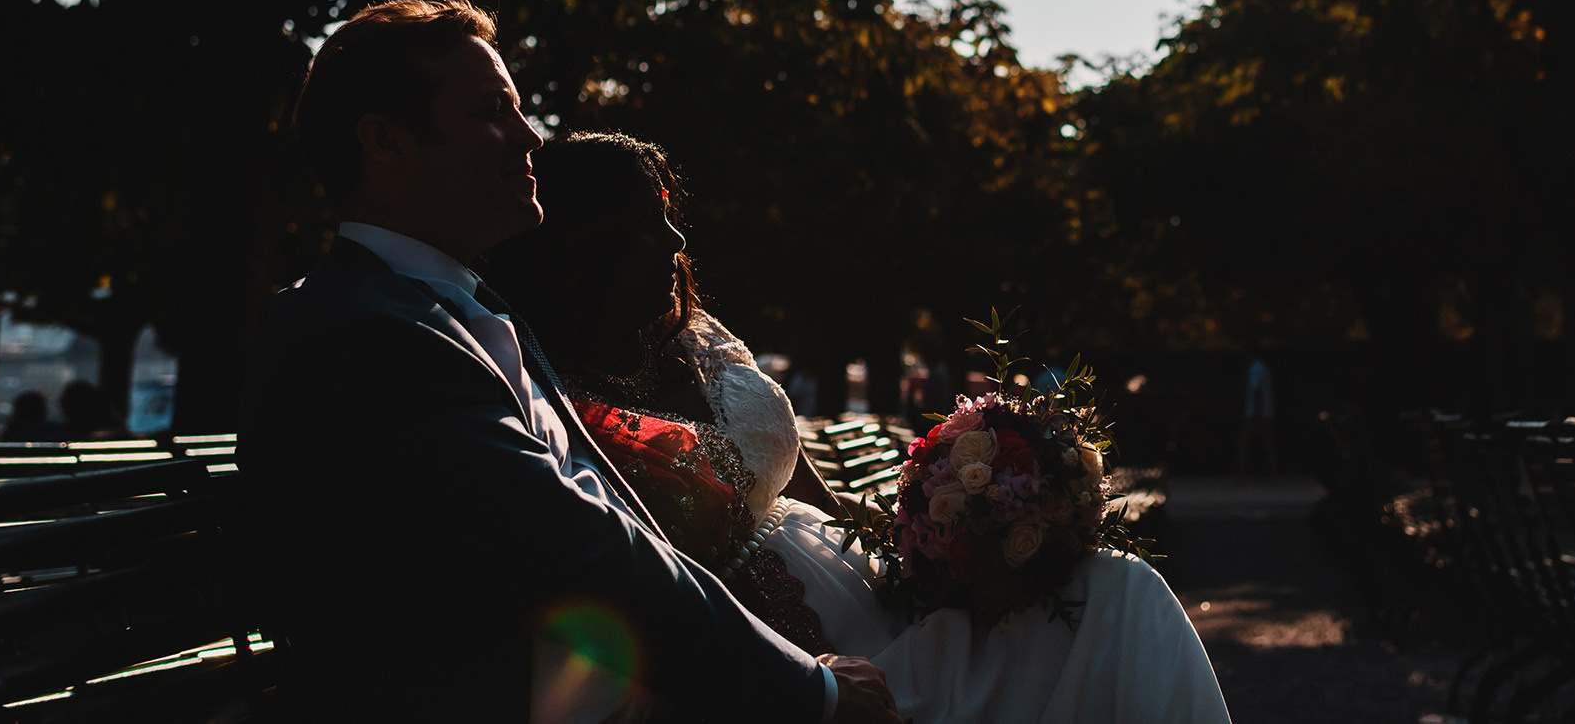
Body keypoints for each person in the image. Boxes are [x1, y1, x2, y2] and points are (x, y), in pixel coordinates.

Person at [241, 0, 901, 724]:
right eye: (493, 110)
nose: (528, 135)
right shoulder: (363, 332)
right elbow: (580, 551)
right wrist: (816, 693)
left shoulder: (450, 307)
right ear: (385, 141)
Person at [487, 131, 1232, 724]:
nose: (678, 239)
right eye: (650, 225)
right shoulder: (553, 396)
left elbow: (806, 479)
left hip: (862, 577)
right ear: (589, 248)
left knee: (1118, 590)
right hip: (781, 642)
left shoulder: (693, 338)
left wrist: (942, 535)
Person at [1237, 352, 1277, 475]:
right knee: (1266, 441)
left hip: (1257, 412)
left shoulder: (1257, 368)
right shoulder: (1262, 367)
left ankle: (1242, 471)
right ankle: (1272, 469)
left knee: (1246, 441)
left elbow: (1257, 390)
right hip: (1262, 411)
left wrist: (1256, 413)